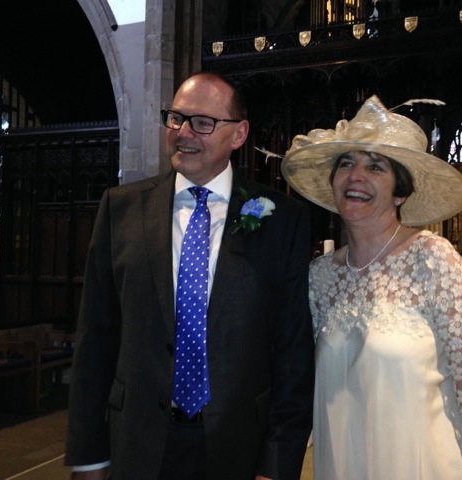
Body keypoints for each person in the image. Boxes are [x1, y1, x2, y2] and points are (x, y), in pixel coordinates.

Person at [65, 72, 314, 480]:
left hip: (238, 446)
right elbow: (96, 338)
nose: (183, 133)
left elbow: (293, 353)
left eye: (202, 122)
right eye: (176, 118)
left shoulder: (282, 220)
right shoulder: (121, 209)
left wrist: (277, 465)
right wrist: (89, 457)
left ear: (239, 134)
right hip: (136, 443)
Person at [281, 96, 462, 479]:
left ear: (401, 192)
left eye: (376, 167)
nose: (356, 176)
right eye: (346, 163)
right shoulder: (320, 276)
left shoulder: (433, 259)